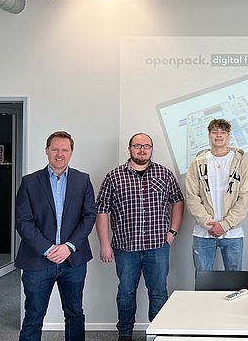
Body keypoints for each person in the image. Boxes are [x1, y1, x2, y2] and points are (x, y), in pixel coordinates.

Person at [96, 133, 184, 341]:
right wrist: (104, 244)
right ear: (129, 149)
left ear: (151, 149)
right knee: (126, 292)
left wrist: (172, 233)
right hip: (125, 247)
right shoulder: (114, 177)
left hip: (158, 246)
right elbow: (102, 210)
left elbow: (178, 201)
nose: (142, 149)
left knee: (158, 293)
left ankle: (158, 334)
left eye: (146, 146)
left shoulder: (164, 174)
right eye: (137, 146)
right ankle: (125, 334)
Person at [15, 131, 97, 341]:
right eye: (55, 149)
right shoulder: (29, 182)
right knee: (33, 316)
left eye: (64, 150)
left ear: (71, 152)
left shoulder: (83, 180)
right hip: (37, 260)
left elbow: (89, 216)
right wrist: (48, 249)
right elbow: (23, 221)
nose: (59, 154)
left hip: (73, 260)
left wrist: (68, 246)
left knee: (75, 313)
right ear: (46, 151)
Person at [185, 118, 248, 272]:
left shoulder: (241, 162)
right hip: (203, 233)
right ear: (209, 135)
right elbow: (192, 197)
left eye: (223, 132)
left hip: (233, 233)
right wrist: (208, 223)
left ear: (229, 135)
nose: (219, 135)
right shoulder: (197, 162)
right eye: (215, 132)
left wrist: (225, 225)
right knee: (203, 280)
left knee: (235, 281)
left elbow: (244, 197)